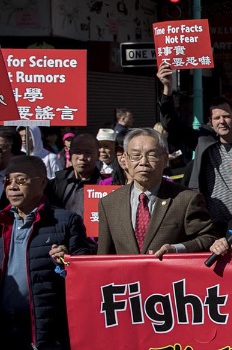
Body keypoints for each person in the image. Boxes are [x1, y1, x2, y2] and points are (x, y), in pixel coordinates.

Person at [157, 63, 232, 226]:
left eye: (226, 116)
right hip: (209, 221)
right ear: (211, 122)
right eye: (216, 118)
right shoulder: (203, 141)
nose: (222, 121)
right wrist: (167, 88)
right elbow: (170, 122)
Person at [0, 155, 91, 348]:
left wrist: (66, 262)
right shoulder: (2, 222)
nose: (12, 186)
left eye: (21, 180)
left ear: (42, 183)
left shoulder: (66, 221)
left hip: (44, 328)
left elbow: (84, 274)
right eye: (7, 180)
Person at [97, 128, 218, 256]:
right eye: (136, 156)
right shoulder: (109, 204)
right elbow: (104, 257)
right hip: (126, 275)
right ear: (126, 159)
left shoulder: (186, 200)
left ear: (165, 159)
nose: (143, 162)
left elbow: (209, 239)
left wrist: (177, 249)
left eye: (152, 155)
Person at [44, 133, 102, 218]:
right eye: (77, 152)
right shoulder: (56, 184)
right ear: (70, 154)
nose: (82, 157)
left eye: (88, 152)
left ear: (98, 155)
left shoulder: (105, 185)